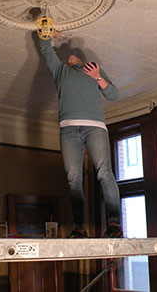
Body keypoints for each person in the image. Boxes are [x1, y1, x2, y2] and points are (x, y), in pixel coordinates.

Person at [37, 30, 123, 238]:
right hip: (68, 129)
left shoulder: (93, 69)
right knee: (73, 179)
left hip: (94, 127)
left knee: (104, 173)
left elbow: (113, 94)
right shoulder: (60, 71)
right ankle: (79, 228)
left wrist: (97, 77)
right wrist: (48, 33)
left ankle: (114, 225)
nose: (71, 54)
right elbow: (44, 48)